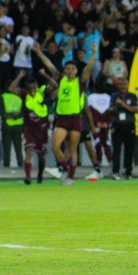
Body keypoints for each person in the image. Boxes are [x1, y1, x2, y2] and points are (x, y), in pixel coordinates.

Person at [37, 42, 98, 185]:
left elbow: (89, 68)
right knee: (55, 146)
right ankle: (65, 170)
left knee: (72, 149)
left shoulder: (79, 82)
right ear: (64, 70)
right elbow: (49, 64)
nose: (70, 71)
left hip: (75, 118)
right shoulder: (61, 79)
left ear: (76, 71)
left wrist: (94, 53)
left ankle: (70, 177)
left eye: (72, 69)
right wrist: (39, 52)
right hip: (62, 119)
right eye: (67, 69)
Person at [9, 68, 57, 184]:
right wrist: (19, 76)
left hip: (42, 128)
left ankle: (40, 174)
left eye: (34, 85)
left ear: (36, 85)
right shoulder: (24, 94)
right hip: (29, 128)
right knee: (29, 150)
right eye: (30, 86)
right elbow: (11, 88)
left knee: (41, 155)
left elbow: (55, 85)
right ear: (27, 86)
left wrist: (45, 75)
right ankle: (28, 176)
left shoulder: (42, 92)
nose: (32, 88)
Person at [109, 77, 138, 180]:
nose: (122, 86)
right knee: (116, 149)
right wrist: (117, 106)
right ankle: (115, 171)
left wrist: (124, 106)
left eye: (124, 84)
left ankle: (128, 172)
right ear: (118, 85)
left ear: (128, 85)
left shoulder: (133, 96)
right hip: (117, 124)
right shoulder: (114, 96)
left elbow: (136, 110)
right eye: (120, 84)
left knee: (129, 149)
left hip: (129, 124)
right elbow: (110, 111)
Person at [0, 79, 24, 167]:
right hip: (18, 126)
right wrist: (16, 116)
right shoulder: (19, 97)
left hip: (7, 125)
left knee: (7, 150)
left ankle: (6, 169)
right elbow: (23, 111)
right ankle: (21, 167)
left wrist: (10, 116)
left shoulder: (3, 97)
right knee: (19, 150)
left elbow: (1, 112)